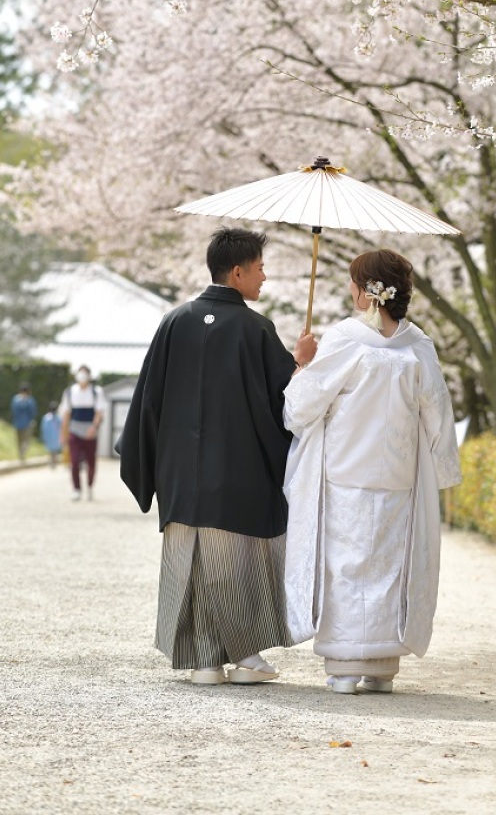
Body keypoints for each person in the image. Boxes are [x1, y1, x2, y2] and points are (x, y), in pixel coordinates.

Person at [119, 228, 317, 686]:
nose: (265, 277)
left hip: (179, 474)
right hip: (237, 470)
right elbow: (286, 401)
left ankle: (203, 659)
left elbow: (148, 400)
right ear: (238, 271)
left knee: (192, 557)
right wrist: (302, 363)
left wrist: (150, 465)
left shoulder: (174, 321)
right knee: (235, 560)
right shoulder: (256, 328)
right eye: (261, 268)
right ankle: (245, 657)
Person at [282, 248, 462, 695]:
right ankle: (381, 663)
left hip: (345, 470)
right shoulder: (417, 344)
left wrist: (301, 362)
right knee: (388, 564)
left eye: (353, 283)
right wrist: (441, 469)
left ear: (368, 292)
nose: (350, 290)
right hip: (397, 475)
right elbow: (438, 412)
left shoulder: (344, 338)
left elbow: (302, 407)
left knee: (345, 564)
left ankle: (345, 665)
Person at [60, 365, 107, 501]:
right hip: (74, 429)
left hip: (90, 431)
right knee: (74, 461)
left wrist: (94, 427)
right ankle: (76, 489)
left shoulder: (96, 392)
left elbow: (99, 413)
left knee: (91, 462)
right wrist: (63, 433)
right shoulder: (69, 392)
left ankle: (90, 486)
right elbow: (66, 414)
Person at [10, 383, 38, 464]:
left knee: (20, 440)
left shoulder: (15, 399)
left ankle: (21, 455)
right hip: (27, 423)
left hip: (18, 423)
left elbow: (13, 410)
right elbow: (33, 412)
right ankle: (22, 453)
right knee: (26, 440)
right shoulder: (30, 400)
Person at [40, 400, 62, 468]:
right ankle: (53, 461)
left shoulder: (47, 417)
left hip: (53, 436)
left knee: (53, 450)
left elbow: (43, 428)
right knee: (53, 450)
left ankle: (53, 462)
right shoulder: (56, 417)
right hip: (53, 436)